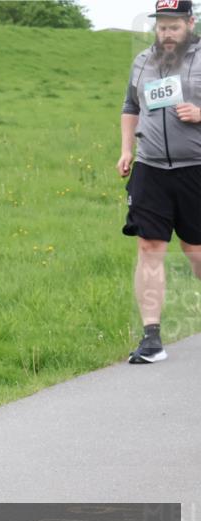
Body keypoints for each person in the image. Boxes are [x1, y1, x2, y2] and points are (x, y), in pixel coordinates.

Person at [117, 0, 201, 363]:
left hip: (195, 168)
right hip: (150, 169)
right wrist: (126, 151)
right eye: (162, 25)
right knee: (150, 247)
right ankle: (151, 338)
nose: (167, 33)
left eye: (174, 25)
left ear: (190, 23)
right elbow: (130, 107)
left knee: (195, 251)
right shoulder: (142, 62)